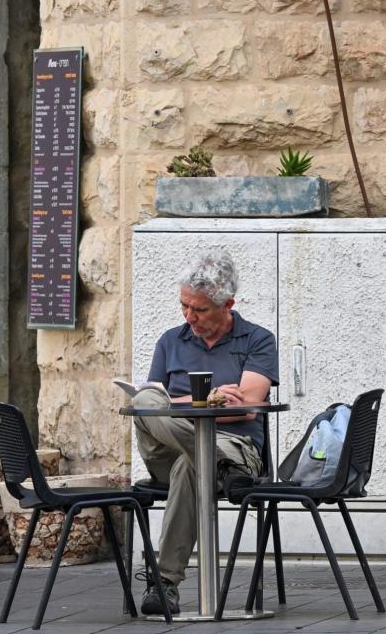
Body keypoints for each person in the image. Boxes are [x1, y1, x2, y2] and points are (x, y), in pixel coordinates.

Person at [132, 251, 278, 615]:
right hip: (185, 454)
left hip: (236, 448)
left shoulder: (257, 340)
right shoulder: (170, 341)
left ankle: (164, 584)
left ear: (227, 304)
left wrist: (177, 405)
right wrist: (208, 400)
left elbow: (248, 405)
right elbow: (154, 404)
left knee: (190, 464)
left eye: (199, 310)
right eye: (184, 306)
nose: (189, 316)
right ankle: (217, 463)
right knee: (145, 397)